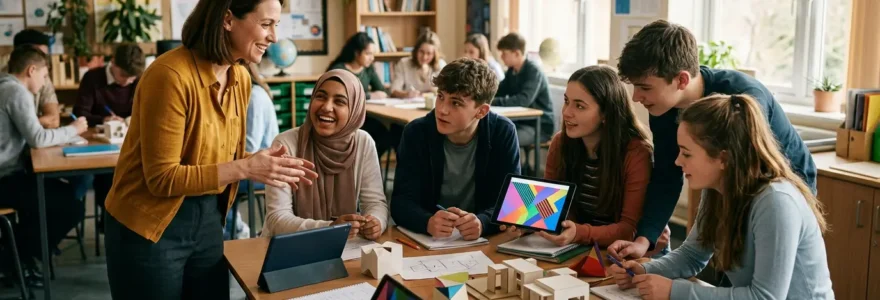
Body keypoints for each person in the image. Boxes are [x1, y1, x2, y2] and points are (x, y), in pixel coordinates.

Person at [102, 1, 318, 299]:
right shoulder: (170, 75)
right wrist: (245, 167)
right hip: (148, 226)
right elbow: (161, 178)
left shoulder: (240, 77)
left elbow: (216, 159)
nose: (274, 37)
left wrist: (263, 164)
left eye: (276, 26)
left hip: (208, 218)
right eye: (266, 24)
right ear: (228, 19)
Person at [608, 20, 817, 260]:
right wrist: (644, 240)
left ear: (681, 80)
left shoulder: (741, 98)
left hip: (784, 183)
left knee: (754, 264)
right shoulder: (664, 108)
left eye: (644, 87)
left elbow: (749, 175)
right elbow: (667, 174)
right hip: (732, 185)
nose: (636, 97)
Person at [610, 94, 833, 300]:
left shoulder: (776, 202)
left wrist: (674, 290)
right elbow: (692, 255)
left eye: (686, 153)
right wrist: (643, 269)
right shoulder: (717, 188)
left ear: (723, 159)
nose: (678, 161)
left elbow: (765, 297)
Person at [503, 66, 652, 247]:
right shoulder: (560, 143)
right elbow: (552, 208)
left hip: (621, 253)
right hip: (578, 246)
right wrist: (533, 221)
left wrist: (578, 232)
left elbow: (628, 230)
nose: (566, 112)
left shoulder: (636, 153)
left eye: (580, 106)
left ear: (606, 113)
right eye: (567, 101)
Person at [391, 58, 519, 240]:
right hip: (430, 240)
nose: (442, 109)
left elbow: (512, 204)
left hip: (482, 240)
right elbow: (400, 202)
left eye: (456, 103)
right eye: (440, 96)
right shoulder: (416, 132)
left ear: (481, 111)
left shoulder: (503, 132)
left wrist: (483, 222)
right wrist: (427, 221)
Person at [263, 70, 388, 240]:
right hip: (290, 248)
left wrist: (376, 222)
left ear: (355, 110)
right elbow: (277, 219)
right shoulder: (285, 145)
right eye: (320, 97)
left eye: (340, 101)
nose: (327, 107)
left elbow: (375, 202)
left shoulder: (363, 143)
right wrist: (328, 229)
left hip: (347, 248)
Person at [0, 46, 87, 288]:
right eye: (45, 75)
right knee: (70, 207)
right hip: (4, 178)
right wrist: (74, 130)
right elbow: (38, 138)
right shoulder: (15, 92)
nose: (45, 81)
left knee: (60, 197)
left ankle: (20, 257)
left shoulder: (4, 86)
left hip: (9, 174)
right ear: (31, 70)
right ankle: (15, 259)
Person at [223, 63, 280, 240]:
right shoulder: (248, 94)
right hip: (254, 165)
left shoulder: (253, 96)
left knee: (218, 183)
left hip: (262, 171)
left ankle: (237, 231)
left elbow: (250, 146)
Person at [327, 32, 393, 160]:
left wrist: (379, 94)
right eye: (368, 54)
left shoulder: (367, 69)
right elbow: (342, 97)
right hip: (343, 119)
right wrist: (369, 96)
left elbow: (381, 91)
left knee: (387, 136)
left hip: (362, 116)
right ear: (357, 53)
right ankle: (359, 163)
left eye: (373, 54)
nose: (372, 58)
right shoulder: (340, 70)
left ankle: (367, 163)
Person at [0, 29, 60, 129]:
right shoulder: (4, 82)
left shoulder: (43, 78)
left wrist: (24, 124)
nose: (43, 61)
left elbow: (54, 120)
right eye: (39, 55)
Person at [74, 43, 144, 127]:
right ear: (113, 62)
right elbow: (79, 115)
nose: (127, 81)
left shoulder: (140, 80)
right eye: (123, 76)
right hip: (98, 135)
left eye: (132, 78)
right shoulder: (92, 78)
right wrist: (103, 120)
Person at [389, 30, 446, 98]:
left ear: (435, 54)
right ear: (416, 50)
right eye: (421, 52)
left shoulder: (441, 65)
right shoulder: (404, 63)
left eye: (429, 53)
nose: (424, 57)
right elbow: (393, 91)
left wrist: (434, 91)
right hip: (408, 105)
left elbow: (447, 91)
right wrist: (407, 94)